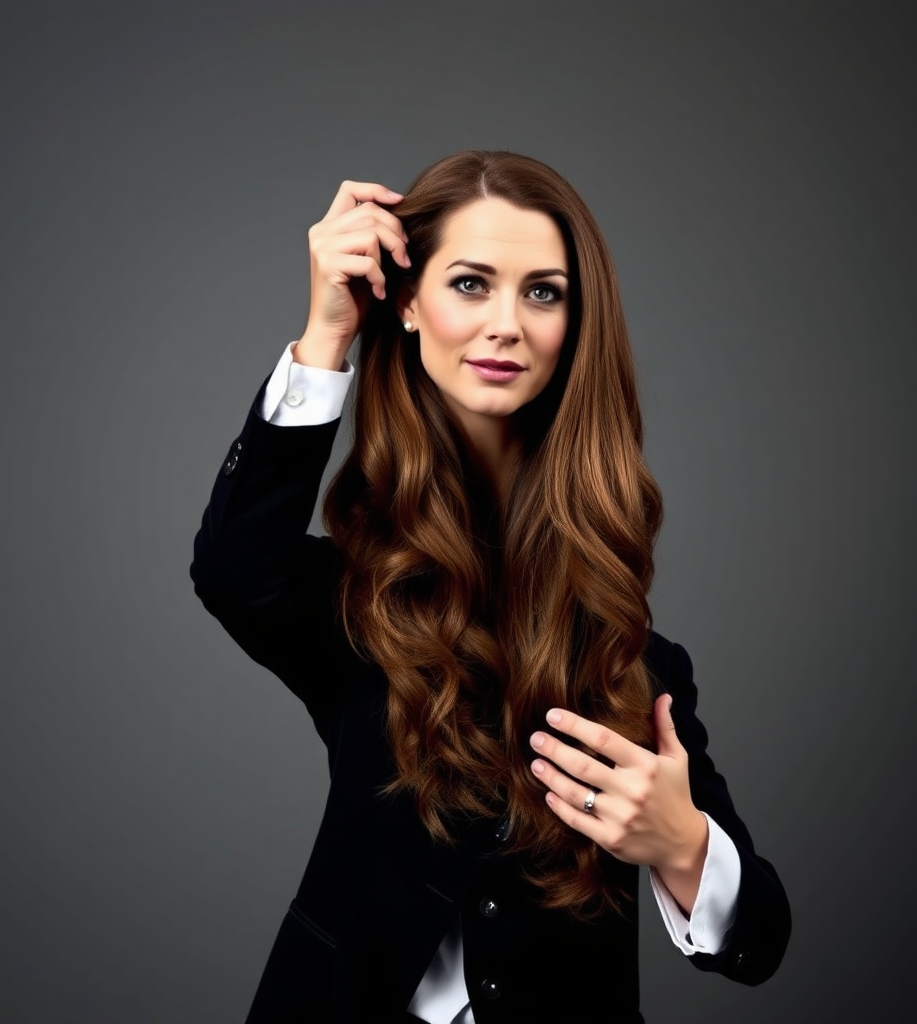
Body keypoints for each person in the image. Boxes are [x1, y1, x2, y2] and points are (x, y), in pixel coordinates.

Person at [190, 149, 791, 1023]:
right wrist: (325, 334)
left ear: (574, 324)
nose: (507, 323)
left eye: (543, 291)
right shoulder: (360, 605)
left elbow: (760, 941)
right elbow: (234, 570)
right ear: (406, 302)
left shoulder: (636, 658)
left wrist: (682, 844)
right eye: (471, 283)